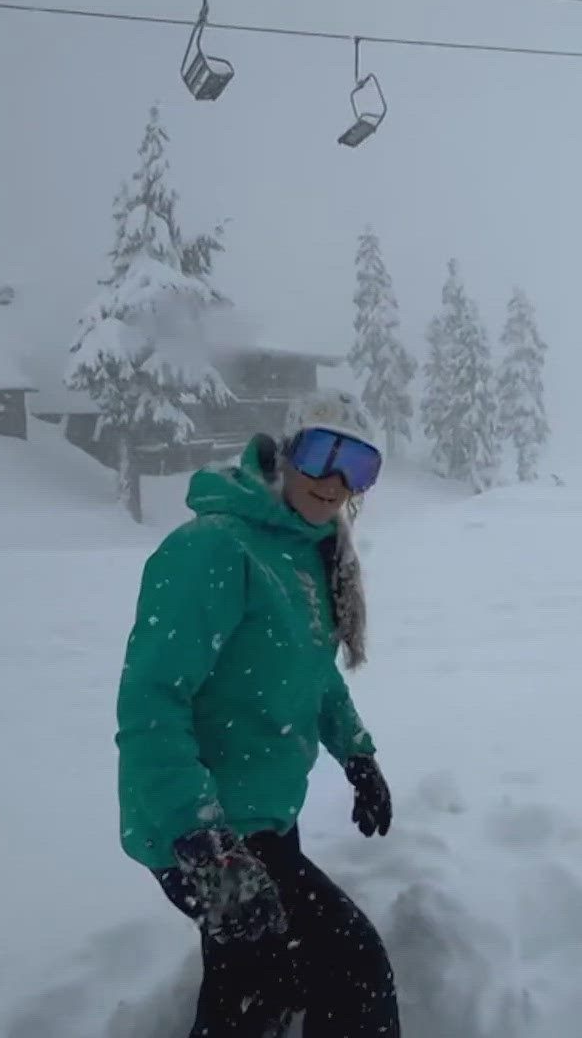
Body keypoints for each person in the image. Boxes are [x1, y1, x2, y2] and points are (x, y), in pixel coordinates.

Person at [114, 389, 399, 1037]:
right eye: (324, 454)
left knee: (261, 993)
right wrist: (202, 839)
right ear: (285, 453)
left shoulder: (302, 552)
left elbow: (312, 671)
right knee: (349, 969)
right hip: (205, 827)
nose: (335, 482)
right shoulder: (214, 548)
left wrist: (357, 755)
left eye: (359, 466)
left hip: (264, 820)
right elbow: (151, 700)